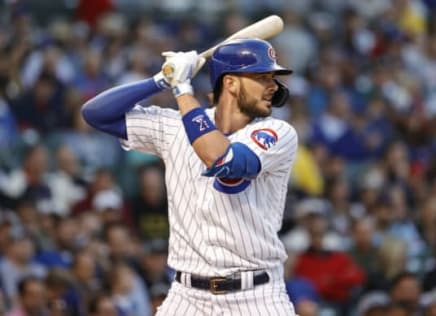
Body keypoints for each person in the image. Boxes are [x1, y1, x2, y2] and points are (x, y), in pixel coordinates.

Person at [81, 38, 298, 315]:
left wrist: (182, 89)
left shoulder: (278, 133)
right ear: (230, 83)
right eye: (263, 77)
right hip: (187, 297)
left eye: (273, 78)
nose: (273, 86)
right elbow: (96, 114)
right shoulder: (172, 127)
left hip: (256, 296)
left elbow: (221, 158)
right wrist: (160, 80)